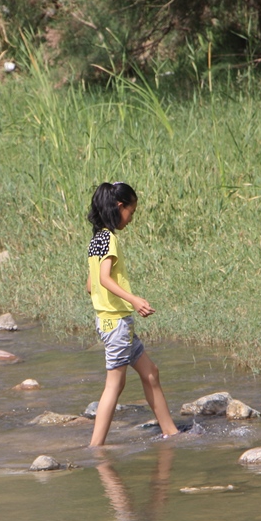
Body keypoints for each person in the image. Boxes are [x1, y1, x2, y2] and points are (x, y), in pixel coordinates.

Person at [85, 181, 180, 446]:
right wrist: (133, 299)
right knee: (114, 385)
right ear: (119, 207)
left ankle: (170, 432)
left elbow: (90, 284)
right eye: (131, 212)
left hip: (112, 323)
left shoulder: (96, 239)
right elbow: (103, 279)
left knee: (151, 372)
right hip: (117, 324)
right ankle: (95, 448)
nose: (131, 218)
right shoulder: (110, 239)